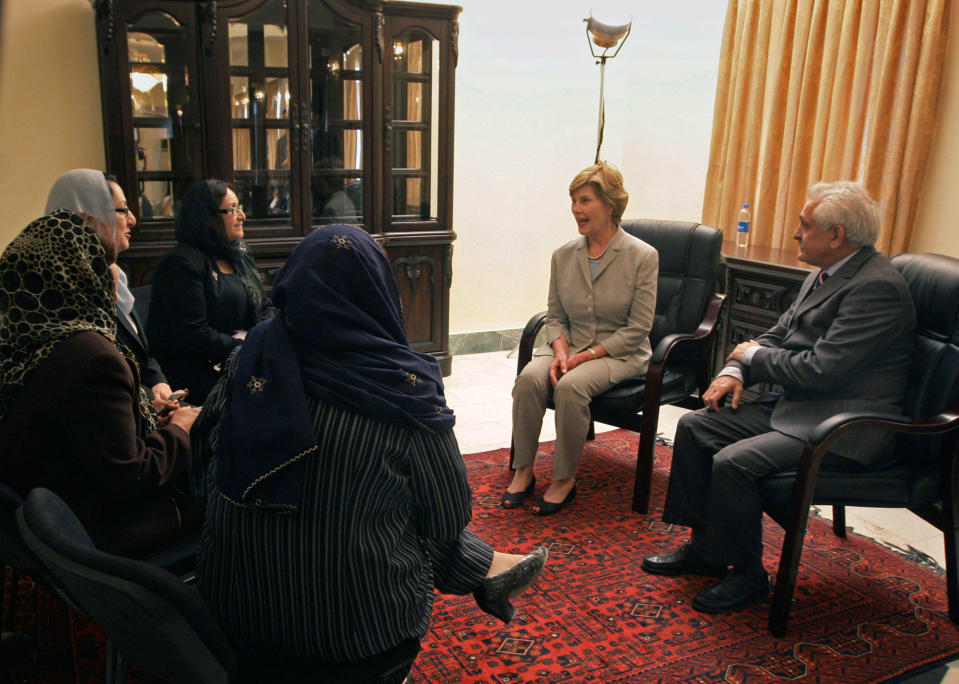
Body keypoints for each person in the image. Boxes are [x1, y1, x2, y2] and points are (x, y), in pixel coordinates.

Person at [193, 225, 547, 682]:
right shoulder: (403, 393)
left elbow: (200, 461)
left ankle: (487, 568)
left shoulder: (252, 358)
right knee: (404, 519)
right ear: (379, 290)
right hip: (357, 640)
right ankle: (485, 569)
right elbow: (446, 517)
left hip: (233, 618)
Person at [642, 181, 917, 614]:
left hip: (845, 425)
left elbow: (821, 371)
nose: (794, 234)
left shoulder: (875, 288)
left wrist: (751, 356)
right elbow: (776, 336)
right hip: (801, 408)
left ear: (836, 236)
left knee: (734, 462)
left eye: (804, 226)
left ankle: (749, 575)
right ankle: (707, 549)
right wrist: (736, 368)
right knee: (696, 425)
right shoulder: (824, 274)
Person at [0, 169, 206, 557]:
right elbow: (131, 476)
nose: (113, 277)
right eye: (103, 266)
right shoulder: (93, 358)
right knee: (241, 492)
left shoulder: (25, 341)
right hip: (106, 531)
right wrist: (181, 429)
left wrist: (147, 416)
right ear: (81, 276)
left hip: (49, 520)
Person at [506, 162, 658, 515]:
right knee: (529, 379)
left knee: (571, 387)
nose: (576, 209)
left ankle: (563, 479)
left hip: (619, 351)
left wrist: (583, 357)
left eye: (585, 200)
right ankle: (523, 470)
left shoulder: (642, 257)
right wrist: (560, 351)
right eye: (573, 200)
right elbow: (555, 315)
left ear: (610, 204)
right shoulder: (563, 255)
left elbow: (638, 329)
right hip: (569, 344)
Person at [147, 179, 274, 404]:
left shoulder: (239, 253)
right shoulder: (181, 264)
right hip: (201, 378)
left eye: (240, 207)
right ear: (206, 217)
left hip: (245, 360)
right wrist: (246, 345)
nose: (242, 216)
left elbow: (264, 306)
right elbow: (192, 335)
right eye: (232, 210)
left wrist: (264, 337)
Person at [103, 173, 183, 410]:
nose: (133, 220)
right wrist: (151, 399)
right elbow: (106, 377)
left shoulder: (118, 277)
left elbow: (143, 354)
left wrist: (159, 382)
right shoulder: (79, 292)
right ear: (95, 214)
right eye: (123, 210)